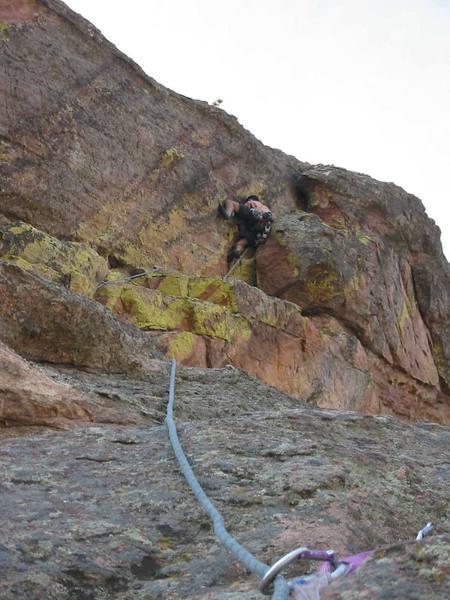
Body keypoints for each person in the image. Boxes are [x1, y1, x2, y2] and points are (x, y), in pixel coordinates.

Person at [218, 195, 273, 264]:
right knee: (241, 243)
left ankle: (228, 214)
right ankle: (237, 251)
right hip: (262, 234)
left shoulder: (252, 201)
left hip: (259, 217)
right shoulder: (265, 208)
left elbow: (245, 209)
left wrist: (237, 209)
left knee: (230, 202)